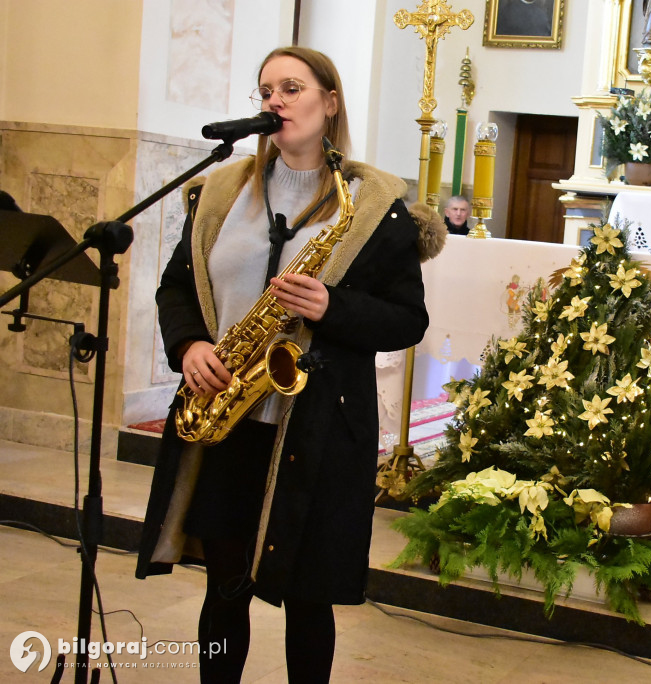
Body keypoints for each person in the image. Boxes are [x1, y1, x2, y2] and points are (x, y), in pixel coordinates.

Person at [135, 46, 444, 683]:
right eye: (266, 90)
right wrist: (190, 346)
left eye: (292, 88)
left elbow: (406, 320)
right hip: (230, 423)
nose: (275, 100)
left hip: (318, 430)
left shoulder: (374, 208)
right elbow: (177, 288)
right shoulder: (221, 193)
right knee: (224, 588)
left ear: (330, 103)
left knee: (308, 601)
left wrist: (334, 306)